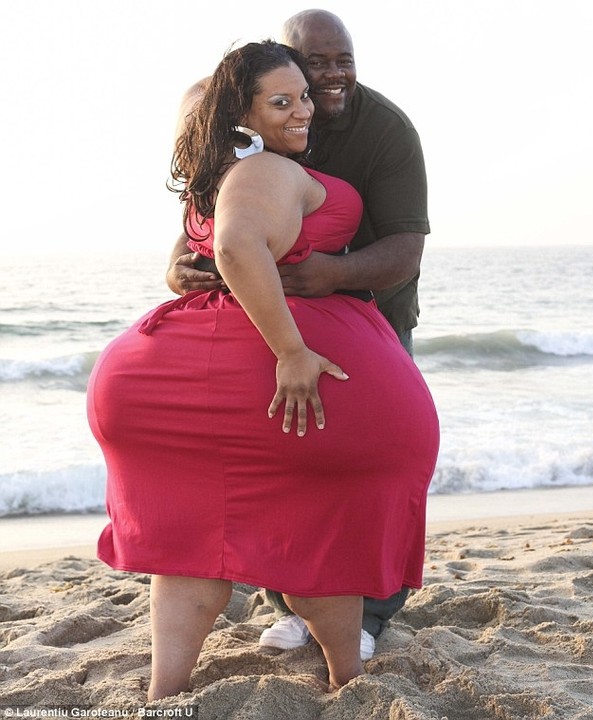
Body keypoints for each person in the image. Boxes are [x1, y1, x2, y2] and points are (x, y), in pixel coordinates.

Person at [87, 40, 438, 699]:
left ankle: (166, 694)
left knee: (191, 547)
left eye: (303, 97)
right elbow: (235, 244)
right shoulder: (267, 170)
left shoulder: (221, 173)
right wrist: (292, 352)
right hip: (262, 378)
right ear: (241, 114)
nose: (304, 109)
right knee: (321, 537)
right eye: (282, 102)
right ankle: (347, 680)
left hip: (173, 379)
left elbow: (218, 235)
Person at [165, 9, 431, 656]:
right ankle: (288, 599)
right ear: (279, 68)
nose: (330, 78)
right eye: (315, 66)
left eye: (344, 61)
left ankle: (369, 613)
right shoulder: (242, 120)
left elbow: (405, 251)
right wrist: (175, 263)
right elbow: (209, 207)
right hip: (271, 321)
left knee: (371, 467)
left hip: (370, 311)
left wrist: (331, 274)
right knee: (285, 460)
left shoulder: (385, 130)